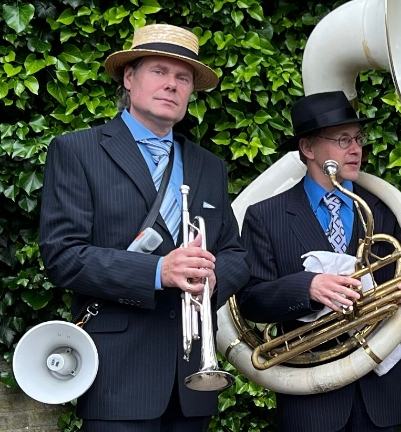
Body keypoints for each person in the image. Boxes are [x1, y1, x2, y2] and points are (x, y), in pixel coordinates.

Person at [38, 24, 249, 431]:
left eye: (182, 77)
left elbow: (235, 253)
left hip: (192, 383)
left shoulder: (210, 165)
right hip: (118, 377)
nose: (171, 84)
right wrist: (158, 272)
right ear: (129, 78)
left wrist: (208, 277)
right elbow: (62, 257)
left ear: (191, 92)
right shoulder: (77, 150)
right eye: (158, 71)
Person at [236, 91, 401, 432]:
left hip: (381, 400)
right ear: (308, 148)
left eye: (358, 138)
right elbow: (251, 302)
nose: (356, 149)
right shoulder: (265, 216)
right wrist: (309, 287)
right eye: (343, 139)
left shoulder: (386, 209)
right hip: (312, 406)